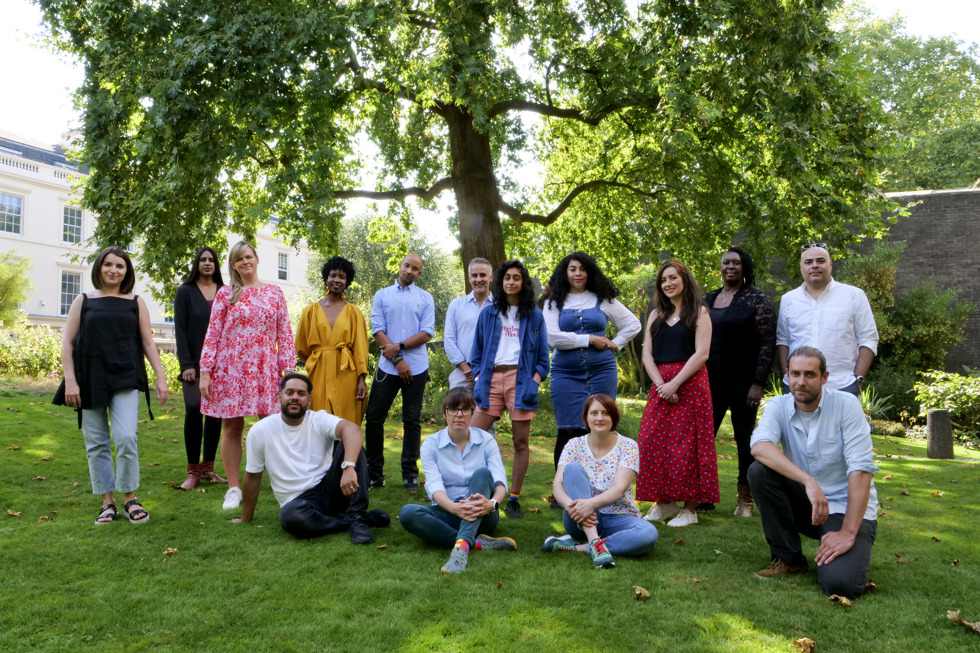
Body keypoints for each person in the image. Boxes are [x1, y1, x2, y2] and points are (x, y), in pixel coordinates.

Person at [749, 347, 878, 598]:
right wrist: (808, 481)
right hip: (807, 502)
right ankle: (789, 559)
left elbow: (861, 470)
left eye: (810, 374)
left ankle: (842, 543)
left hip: (843, 508)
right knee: (759, 471)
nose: (801, 382)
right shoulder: (778, 405)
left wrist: (848, 533)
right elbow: (760, 447)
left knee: (841, 585)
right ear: (787, 375)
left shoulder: (846, 405)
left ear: (824, 378)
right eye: (795, 374)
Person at [55, 247, 169, 524]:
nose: (113, 270)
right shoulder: (83, 300)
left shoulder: (135, 301)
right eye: (108, 264)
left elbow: (147, 342)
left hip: (125, 375)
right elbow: (68, 343)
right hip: (89, 377)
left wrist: (160, 376)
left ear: (126, 272)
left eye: (120, 266)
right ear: (99, 268)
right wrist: (71, 382)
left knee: (126, 436)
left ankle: (130, 497)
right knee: (96, 442)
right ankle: (107, 501)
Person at [233, 373, 389, 544]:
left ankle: (358, 518)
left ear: (309, 399)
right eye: (289, 392)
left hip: (332, 487)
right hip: (298, 502)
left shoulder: (317, 419)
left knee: (351, 441)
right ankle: (350, 521)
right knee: (290, 517)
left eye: (301, 394)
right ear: (279, 396)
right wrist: (245, 519)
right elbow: (253, 476)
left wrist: (349, 467)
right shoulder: (260, 430)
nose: (295, 398)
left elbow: (352, 430)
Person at [199, 241, 295, 511]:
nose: (245, 262)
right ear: (233, 265)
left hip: (265, 367)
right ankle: (233, 488)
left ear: (257, 259)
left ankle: (283, 482)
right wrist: (205, 371)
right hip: (231, 367)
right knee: (232, 427)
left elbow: (284, 333)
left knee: (272, 425)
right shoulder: (225, 294)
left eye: (249, 256)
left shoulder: (274, 293)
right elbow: (213, 334)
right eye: (239, 259)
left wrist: (288, 371)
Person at [637, 260, 719, 528]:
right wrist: (662, 385)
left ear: (684, 280)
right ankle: (664, 502)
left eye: (673, 278)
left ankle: (690, 508)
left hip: (691, 385)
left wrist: (675, 385)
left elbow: (702, 354)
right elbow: (647, 354)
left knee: (689, 445)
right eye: (663, 280)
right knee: (652, 440)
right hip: (660, 385)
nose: (668, 283)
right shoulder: (655, 315)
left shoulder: (699, 312)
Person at [398, 388, 517, 574]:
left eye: (465, 409)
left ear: (472, 413)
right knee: (407, 513)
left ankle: (460, 551)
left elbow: (500, 482)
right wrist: (455, 508)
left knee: (483, 474)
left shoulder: (487, 440)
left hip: (483, 513)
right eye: (453, 409)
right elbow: (434, 486)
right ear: (444, 413)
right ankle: (474, 543)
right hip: (448, 511)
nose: (459, 415)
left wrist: (492, 504)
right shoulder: (431, 443)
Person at [543, 252, 641, 471]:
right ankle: (565, 490)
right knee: (568, 431)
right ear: (564, 272)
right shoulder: (553, 302)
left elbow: (633, 324)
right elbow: (551, 337)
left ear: (590, 272)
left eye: (583, 269)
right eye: (573, 269)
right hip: (565, 374)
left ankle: (602, 486)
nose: (578, 273)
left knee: (600, 429)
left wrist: (616, 342)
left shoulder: (603, 298)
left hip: (602, 372)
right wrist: (589, 339)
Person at [469, 260, 550, 519]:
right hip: (492, 378)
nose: (511, 282)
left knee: (520, 443)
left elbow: (543, 360)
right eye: (507, 277)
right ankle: (469, 489)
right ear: (500, 282)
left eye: (516, 277)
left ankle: (513, 498)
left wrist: (533, 382)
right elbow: (477, 353)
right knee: (471, 437)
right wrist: (481, 376)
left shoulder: (534, 316)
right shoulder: (489, 313)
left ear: (523, 282)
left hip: (521, 380)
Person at [542, 394, 658, 569]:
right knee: (572, 468)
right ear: (586, 418)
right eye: (594, 413)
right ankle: (595, 541)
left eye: (605, 413)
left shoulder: (628, 446)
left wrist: (590, 504)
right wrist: (573, 508)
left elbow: (619, 489)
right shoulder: (573, 445)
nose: (599, 418)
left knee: (648, 534)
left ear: (613, 417)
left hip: (619, 518)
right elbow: (558, 486)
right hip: (578, 520)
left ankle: (580, 547)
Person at [703, 247, 776, 517]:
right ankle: (703, 495)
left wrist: (758, 382)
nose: (730, 267)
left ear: (745, 267)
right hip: (709, 382)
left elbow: (768, 343)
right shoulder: (708, 299)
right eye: (726, 263)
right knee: (704, 438)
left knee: (744, 439)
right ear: (720, 267)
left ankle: (745, 499)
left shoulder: (756, 299)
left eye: (736, 262)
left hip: (744, 383)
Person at [364, 253, 436, 491]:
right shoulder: (382, 295)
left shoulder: (426, 298)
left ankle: (410, 474)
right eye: (407, 266)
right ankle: (374, 473)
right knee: (374, 418)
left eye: (415, 269)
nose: (410, 271)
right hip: (388, 367)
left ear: (419, 273)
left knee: (412, 420)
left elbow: (427, 333)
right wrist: (397, 360)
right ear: (400, 266)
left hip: (417, 367)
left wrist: (401, 348)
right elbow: (378, 330)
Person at [776, 243, 878, 396]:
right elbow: (783, 340)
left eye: (821, 261)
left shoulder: (854, 296)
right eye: (809, 262)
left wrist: (858, 379)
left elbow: (868, 338)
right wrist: (788, 375)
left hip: (842, 386)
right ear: (801, 268)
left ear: (830, 265)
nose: (815, 265)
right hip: (798, 387)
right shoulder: (788, 300)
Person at [173, 246, 226, 491]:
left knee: (215, 415)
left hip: (221, 365)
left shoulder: (226, 292)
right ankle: (193, 470)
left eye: (211, 260)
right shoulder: (185, 292)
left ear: (216, 264)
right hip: (193, 365)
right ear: (197, 263)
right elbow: (181, 330)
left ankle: (209, 469)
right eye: (203, 260)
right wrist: (186, 365)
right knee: (194, 408)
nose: (207, 263)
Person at [295, 256, 369, 423]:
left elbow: (361, 348)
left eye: (342, 277)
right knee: (318, 419)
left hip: (346, 373)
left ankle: (345, 450)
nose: (337, 280)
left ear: (347, 281)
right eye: (333, 275)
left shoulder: (354, 312)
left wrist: (361, 379)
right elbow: (301, 346)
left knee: (346, 418)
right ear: (326, 279)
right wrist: (319, 359)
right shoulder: (310, 311)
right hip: (318, 372)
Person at [443, 258, 494, 389]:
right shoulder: (456, 306)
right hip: (463, 372)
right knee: (457, 408)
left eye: (483, 275)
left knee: (487, 410)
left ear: (491, 277)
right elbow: (449, 340)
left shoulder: (500, 306)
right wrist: (466, 369)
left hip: (494, 372)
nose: (478, 279)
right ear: (469, 278)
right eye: (474, 275)